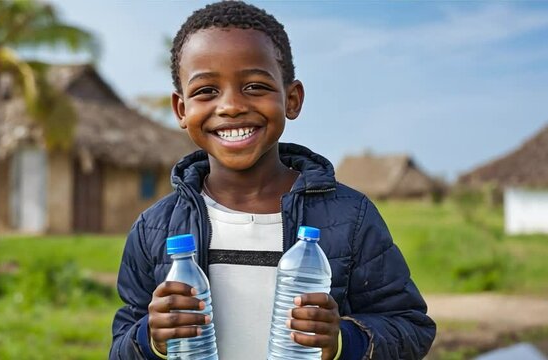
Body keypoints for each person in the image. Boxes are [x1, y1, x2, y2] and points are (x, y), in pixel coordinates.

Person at [109, 2, 436, 359]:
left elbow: (410, 326)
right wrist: (151, 338)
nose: (231, 106)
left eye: (254, 86)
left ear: (291, 100)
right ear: (182, 109)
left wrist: (341, 340)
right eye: (206, 91)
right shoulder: (155, 229)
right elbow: (122, 343)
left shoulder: (350, 218)